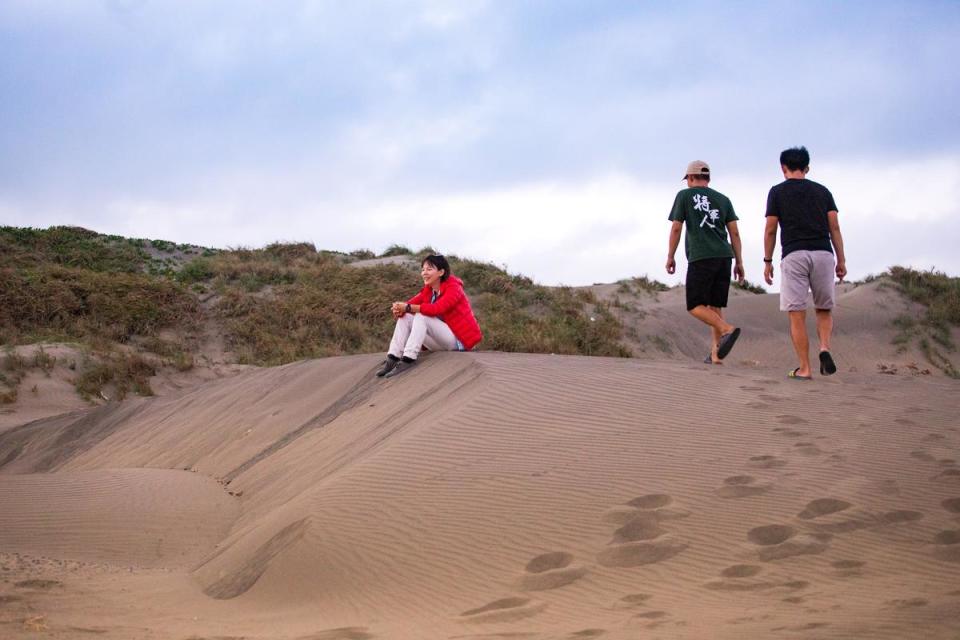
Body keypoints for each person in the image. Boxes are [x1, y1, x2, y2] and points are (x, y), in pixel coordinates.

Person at [763, 146, 847, 380]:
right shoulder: (823, 192)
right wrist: (841, 259)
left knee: (796, 313)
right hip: (823, 252)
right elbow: (835, 227)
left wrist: (767, 260)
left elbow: (771, 229)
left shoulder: (777, 192)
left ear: (783, 168)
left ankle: (805, 368)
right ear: (807, 167)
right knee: (823, 308)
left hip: (794, 254)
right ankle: (824, 348)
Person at [666, 160, 745, 364]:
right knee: (715, 304)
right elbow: (734, 232)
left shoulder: (684, 196)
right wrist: (739, 261)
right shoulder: (723, 199)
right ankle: (716, 354)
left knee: (695, 305)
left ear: (691, 178)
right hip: (724, 256)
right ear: (707, 178)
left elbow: (676, 228)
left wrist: (670, 255)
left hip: (702, 255)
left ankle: (728, 329)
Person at [376, 254, 482, 378]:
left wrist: (408, 308)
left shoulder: (454, 288)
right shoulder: (429, 289)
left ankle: (408, 359)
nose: (424, 273)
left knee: (421, 316)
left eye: (429, 269)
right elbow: (410, 304)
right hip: (440, 342)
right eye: (423, 269)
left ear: (441, 272)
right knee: (406, 317)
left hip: (458, 342)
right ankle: (393, 357)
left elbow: (437, 309)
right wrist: (399, 309)